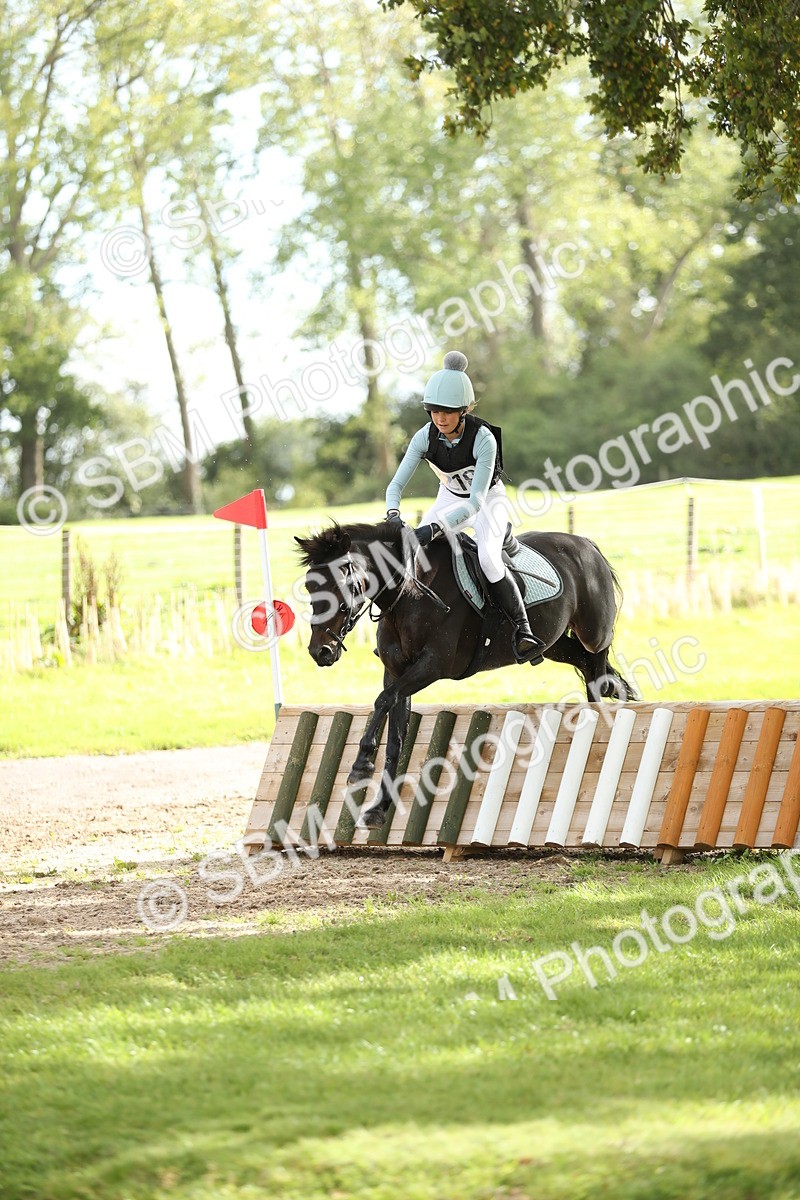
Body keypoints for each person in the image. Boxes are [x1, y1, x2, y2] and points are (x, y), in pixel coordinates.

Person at [384, 350, 545, 663]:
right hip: (449, 498)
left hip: (487, 501)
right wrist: (393, 515)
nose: (440, 419)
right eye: (434, 411)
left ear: (465, 410)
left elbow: (475, 503)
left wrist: (433, 528)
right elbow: (395, 486)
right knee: (408, 553)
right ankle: (399, 631)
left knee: (488, 559)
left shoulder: (484, 439)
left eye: (448, 412)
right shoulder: (424, 437)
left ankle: (523, 631)